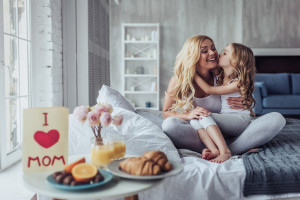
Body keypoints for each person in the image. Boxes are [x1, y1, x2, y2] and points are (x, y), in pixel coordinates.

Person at [162, 35, 286, 162]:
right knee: (169, 125)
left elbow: (242, 88)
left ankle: (222, 150)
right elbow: (166, 113)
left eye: (213, 48)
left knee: (277, 118)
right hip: (203, 133)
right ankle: (231, 148)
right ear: (193, 56)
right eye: (205, 51)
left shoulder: (221, 73)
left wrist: (246, 102)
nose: (213, 53)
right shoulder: (179, 80)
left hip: (228, 127)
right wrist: (188, 115)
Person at [190, 43, 256, 163]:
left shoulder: (237, 83)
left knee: (204, 115)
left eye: (225, 53)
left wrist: (192, 73)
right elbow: (203, 63)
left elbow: (208, 89)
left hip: (239, 120)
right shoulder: (220, 74)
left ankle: (225, 151)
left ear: (235, 62)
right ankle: (214, 150)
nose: (219, 54)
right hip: (226, 120)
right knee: (194, 119)